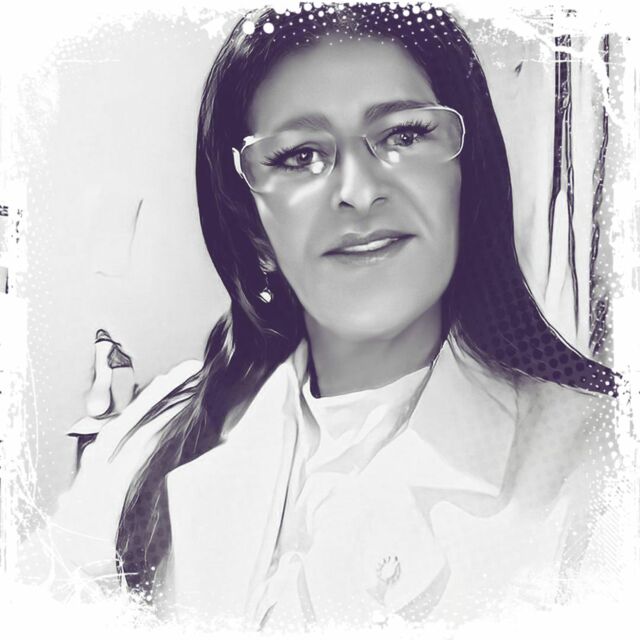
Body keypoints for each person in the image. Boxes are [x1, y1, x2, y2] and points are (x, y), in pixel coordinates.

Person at [18, 1, 619, 632]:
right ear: (253, 226)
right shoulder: (152, 431)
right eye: (299, 155)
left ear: (467, 179)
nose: (357, 191)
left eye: (404, 135)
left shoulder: (605, 463)